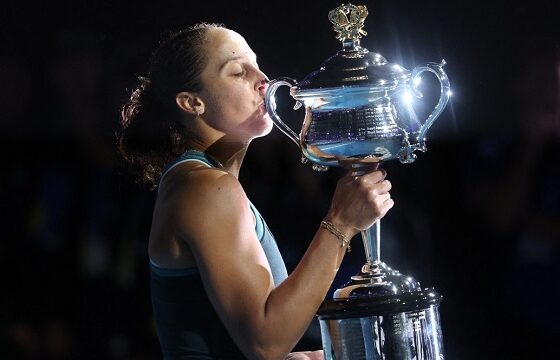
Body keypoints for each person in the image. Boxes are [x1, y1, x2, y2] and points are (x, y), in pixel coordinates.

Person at [116, 22, 393, 360]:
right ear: (192, 102)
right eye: (237, 71)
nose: (263, 78)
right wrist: (341, 224)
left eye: (257, 63)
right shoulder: (204, 187)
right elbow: (265, 343)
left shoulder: (206, 182)